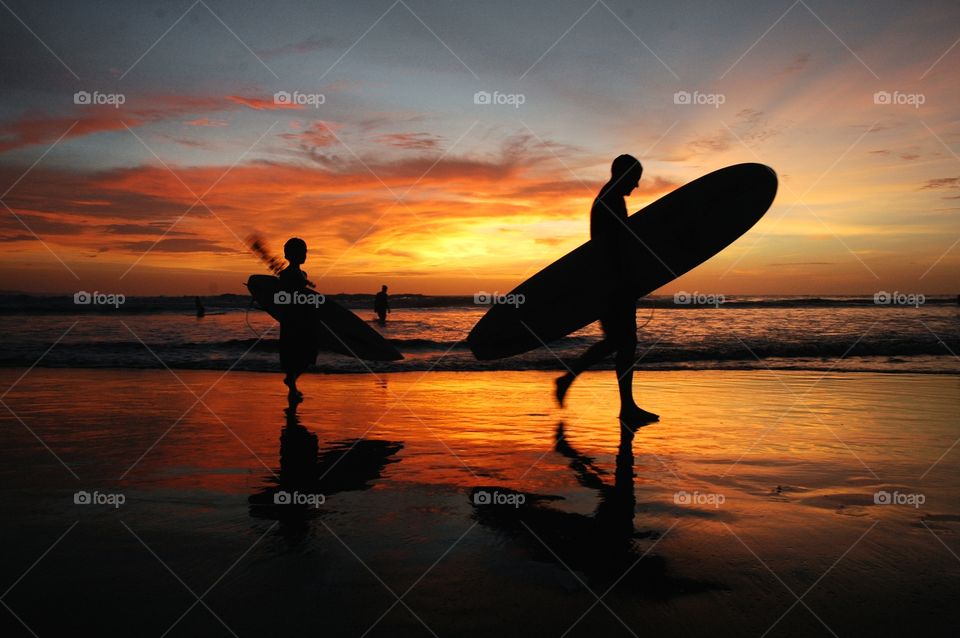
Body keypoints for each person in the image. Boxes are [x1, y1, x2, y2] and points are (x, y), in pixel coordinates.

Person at [554, 155, 659, 427]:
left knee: (620, 342)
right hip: (613, 284)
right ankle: (622, 405)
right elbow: (614, 247)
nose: (637, 185)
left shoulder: (609, 198)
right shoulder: (610, 200)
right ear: (624, 174)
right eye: (635, 178)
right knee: (623, 342)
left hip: (610, 282)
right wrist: (629, 281)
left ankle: (621, 404)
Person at [278, 237, 319, 403]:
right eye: (302, 252)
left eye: (305, 251)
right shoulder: (286, 274)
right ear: (291, 255)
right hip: (292, 319)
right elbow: (286, 296)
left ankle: (292, 383)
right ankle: (292, 389)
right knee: (294, 354)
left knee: (307, 354)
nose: (305, 254)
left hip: (301, 319)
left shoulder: (301, 274)